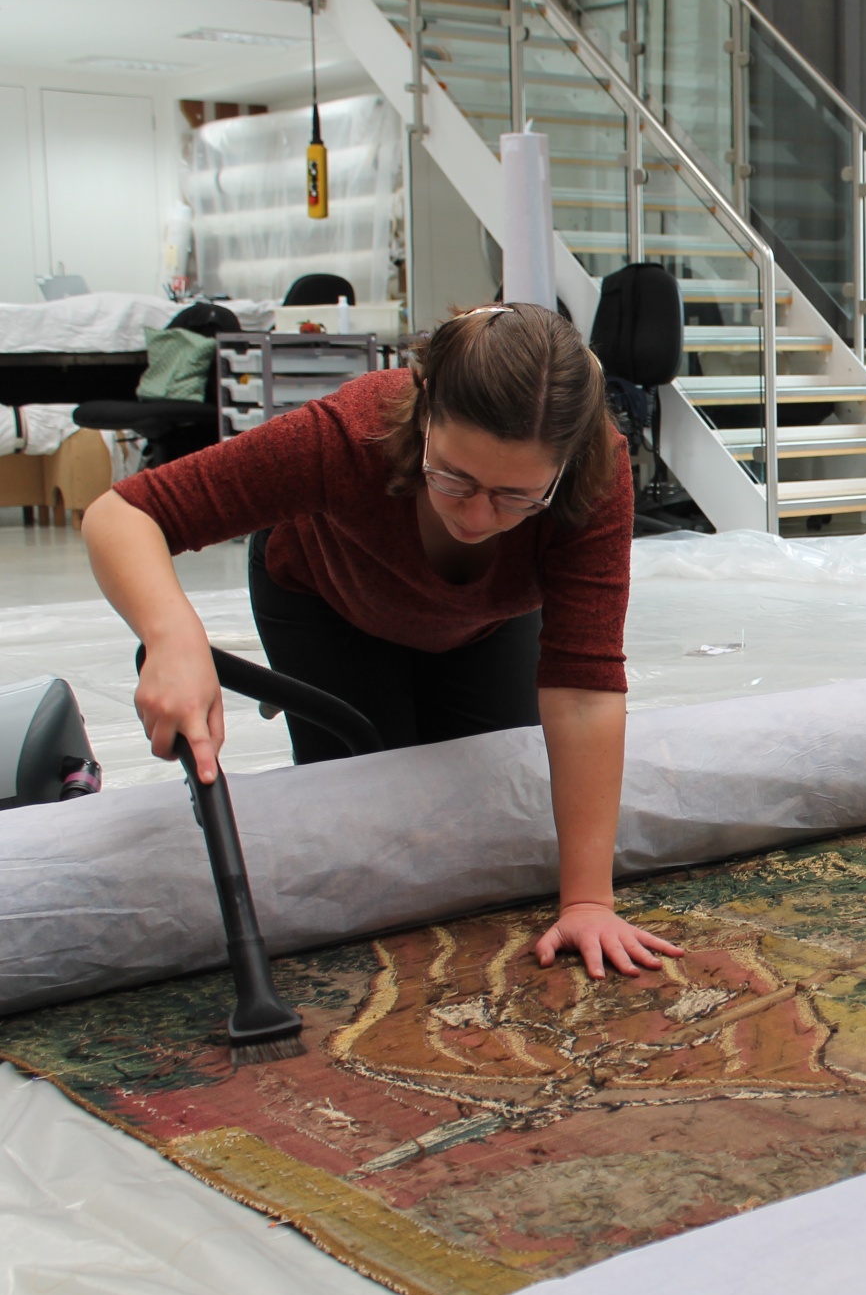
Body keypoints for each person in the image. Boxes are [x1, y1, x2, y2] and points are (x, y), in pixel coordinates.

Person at [82, 303, 680, 979]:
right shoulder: (348, 434)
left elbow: (582, 689)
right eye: (454, 478)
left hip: (482, 622)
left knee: (479, 814)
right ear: (424, 413)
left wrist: (588, 900)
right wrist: (173, 637)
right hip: (328, 603)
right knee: (366, 826)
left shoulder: (595, 471)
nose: (479, 516)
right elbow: (124, 513)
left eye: (517, 498)